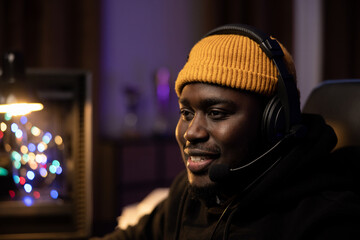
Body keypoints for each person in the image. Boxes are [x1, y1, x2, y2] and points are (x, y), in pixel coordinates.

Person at [92, 24, 360, 239]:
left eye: (216, 113)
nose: (191, 132)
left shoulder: (327, 220)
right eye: (186, 113)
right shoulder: (187, 196)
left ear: (274, 122)